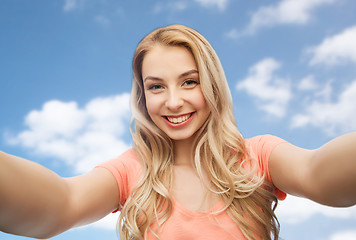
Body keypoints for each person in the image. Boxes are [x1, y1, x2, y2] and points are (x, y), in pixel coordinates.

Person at [0, 24, 355, 240]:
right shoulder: (131, 172)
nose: (173, 101)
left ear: (213, 85)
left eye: (189, 82)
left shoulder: (258, 155)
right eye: (156, 87)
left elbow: (318, 175)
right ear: (142, 96)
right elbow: (61, 204)